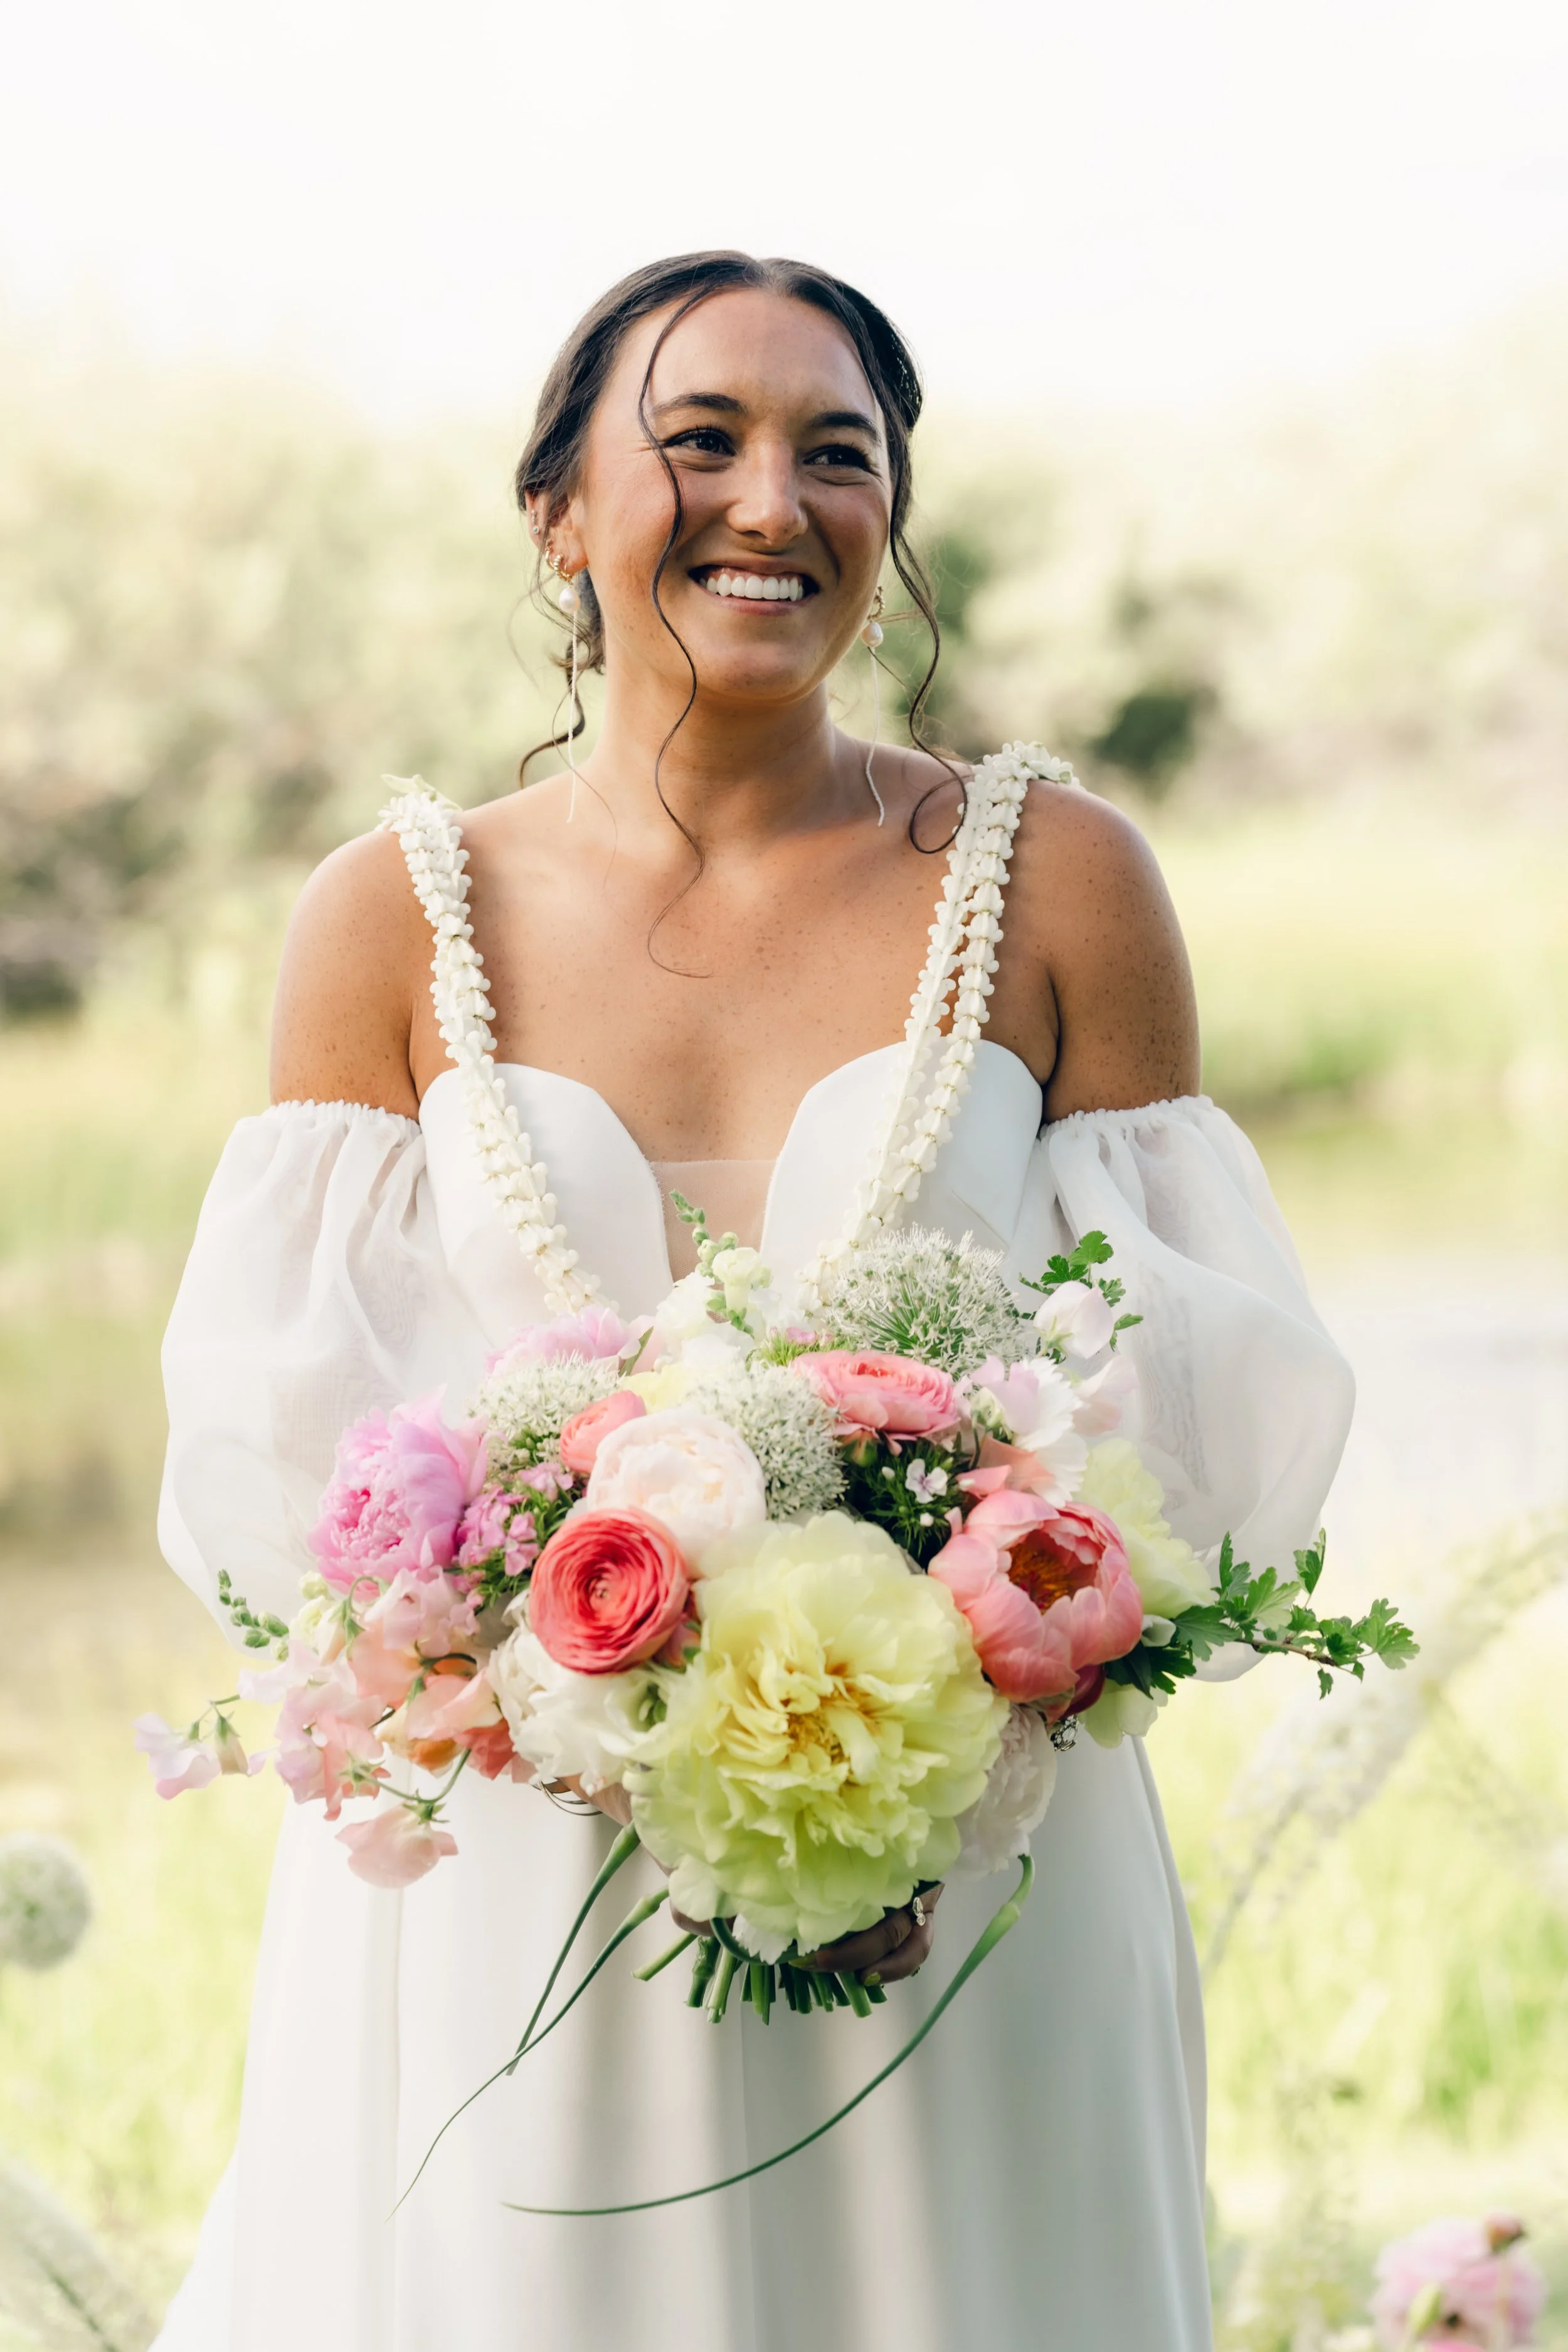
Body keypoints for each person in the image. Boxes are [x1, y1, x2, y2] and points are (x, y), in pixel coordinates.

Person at [152, 251, 1353, 2351]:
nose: (771, 502)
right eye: (698, 438)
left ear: (893, 515)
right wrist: (550, 1691)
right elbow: (297, 1495)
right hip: (525, 1888)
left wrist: (952, 1670)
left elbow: (1189, 1438)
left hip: (958, 1868)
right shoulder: (389, 919)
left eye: (837, 453)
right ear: (558, 509)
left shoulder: (1056, 878)